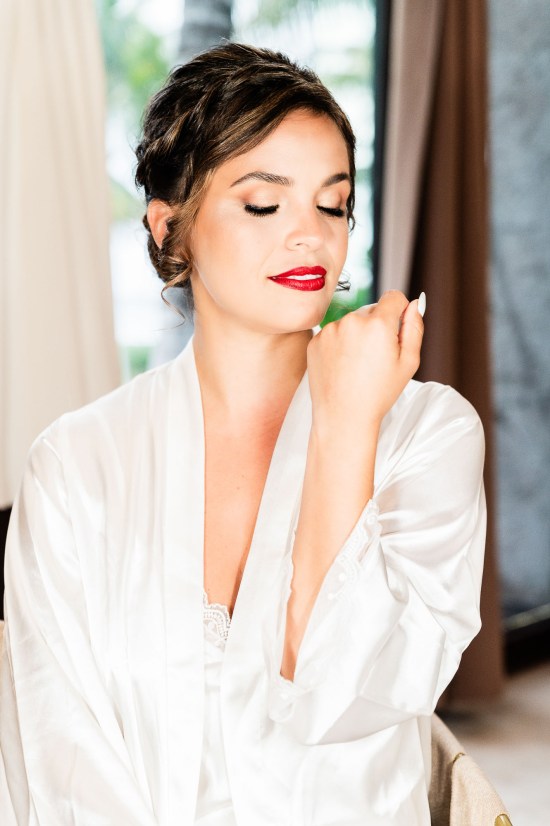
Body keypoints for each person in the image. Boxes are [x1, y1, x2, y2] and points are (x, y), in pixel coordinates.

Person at [0, 43, 486, 825]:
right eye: (265, 205)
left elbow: (344, 693)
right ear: (171, 229)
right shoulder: (76, 465)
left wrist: (346, 425)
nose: (311, 236)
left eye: (333, 205)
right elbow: (57, 757)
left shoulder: (428, 433)